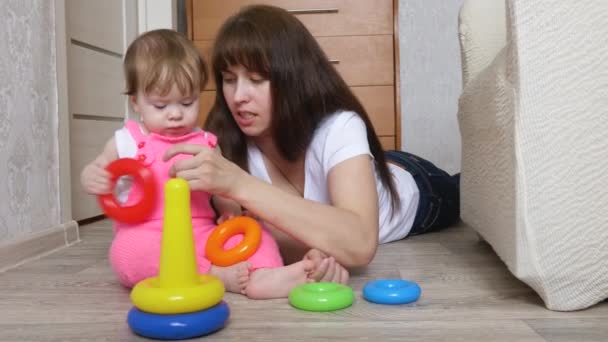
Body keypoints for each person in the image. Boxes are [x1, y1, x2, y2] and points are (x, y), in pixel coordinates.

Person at [163, 5, 460, 270]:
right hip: (360, 168)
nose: (239, 96)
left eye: (256, 79)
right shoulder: (222, 141)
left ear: (292, 77)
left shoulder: (340, 126)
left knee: (466, 192)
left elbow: (359, 243)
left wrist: (239, 184)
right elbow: (235, 238)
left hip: (418, 185)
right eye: (229, 80)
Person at [79, 29, 345, 299]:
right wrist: (92, 177)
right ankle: (216, 275)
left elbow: (221, 190)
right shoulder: (127, 142)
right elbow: (99, 169)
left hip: (201, 234)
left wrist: (229, 212)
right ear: (136, 102)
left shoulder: (205, 144)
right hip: (150, 235)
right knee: (129, 252)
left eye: (187, 102)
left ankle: (264, 274)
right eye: (160, 106)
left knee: (254, 232)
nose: (175, 114)